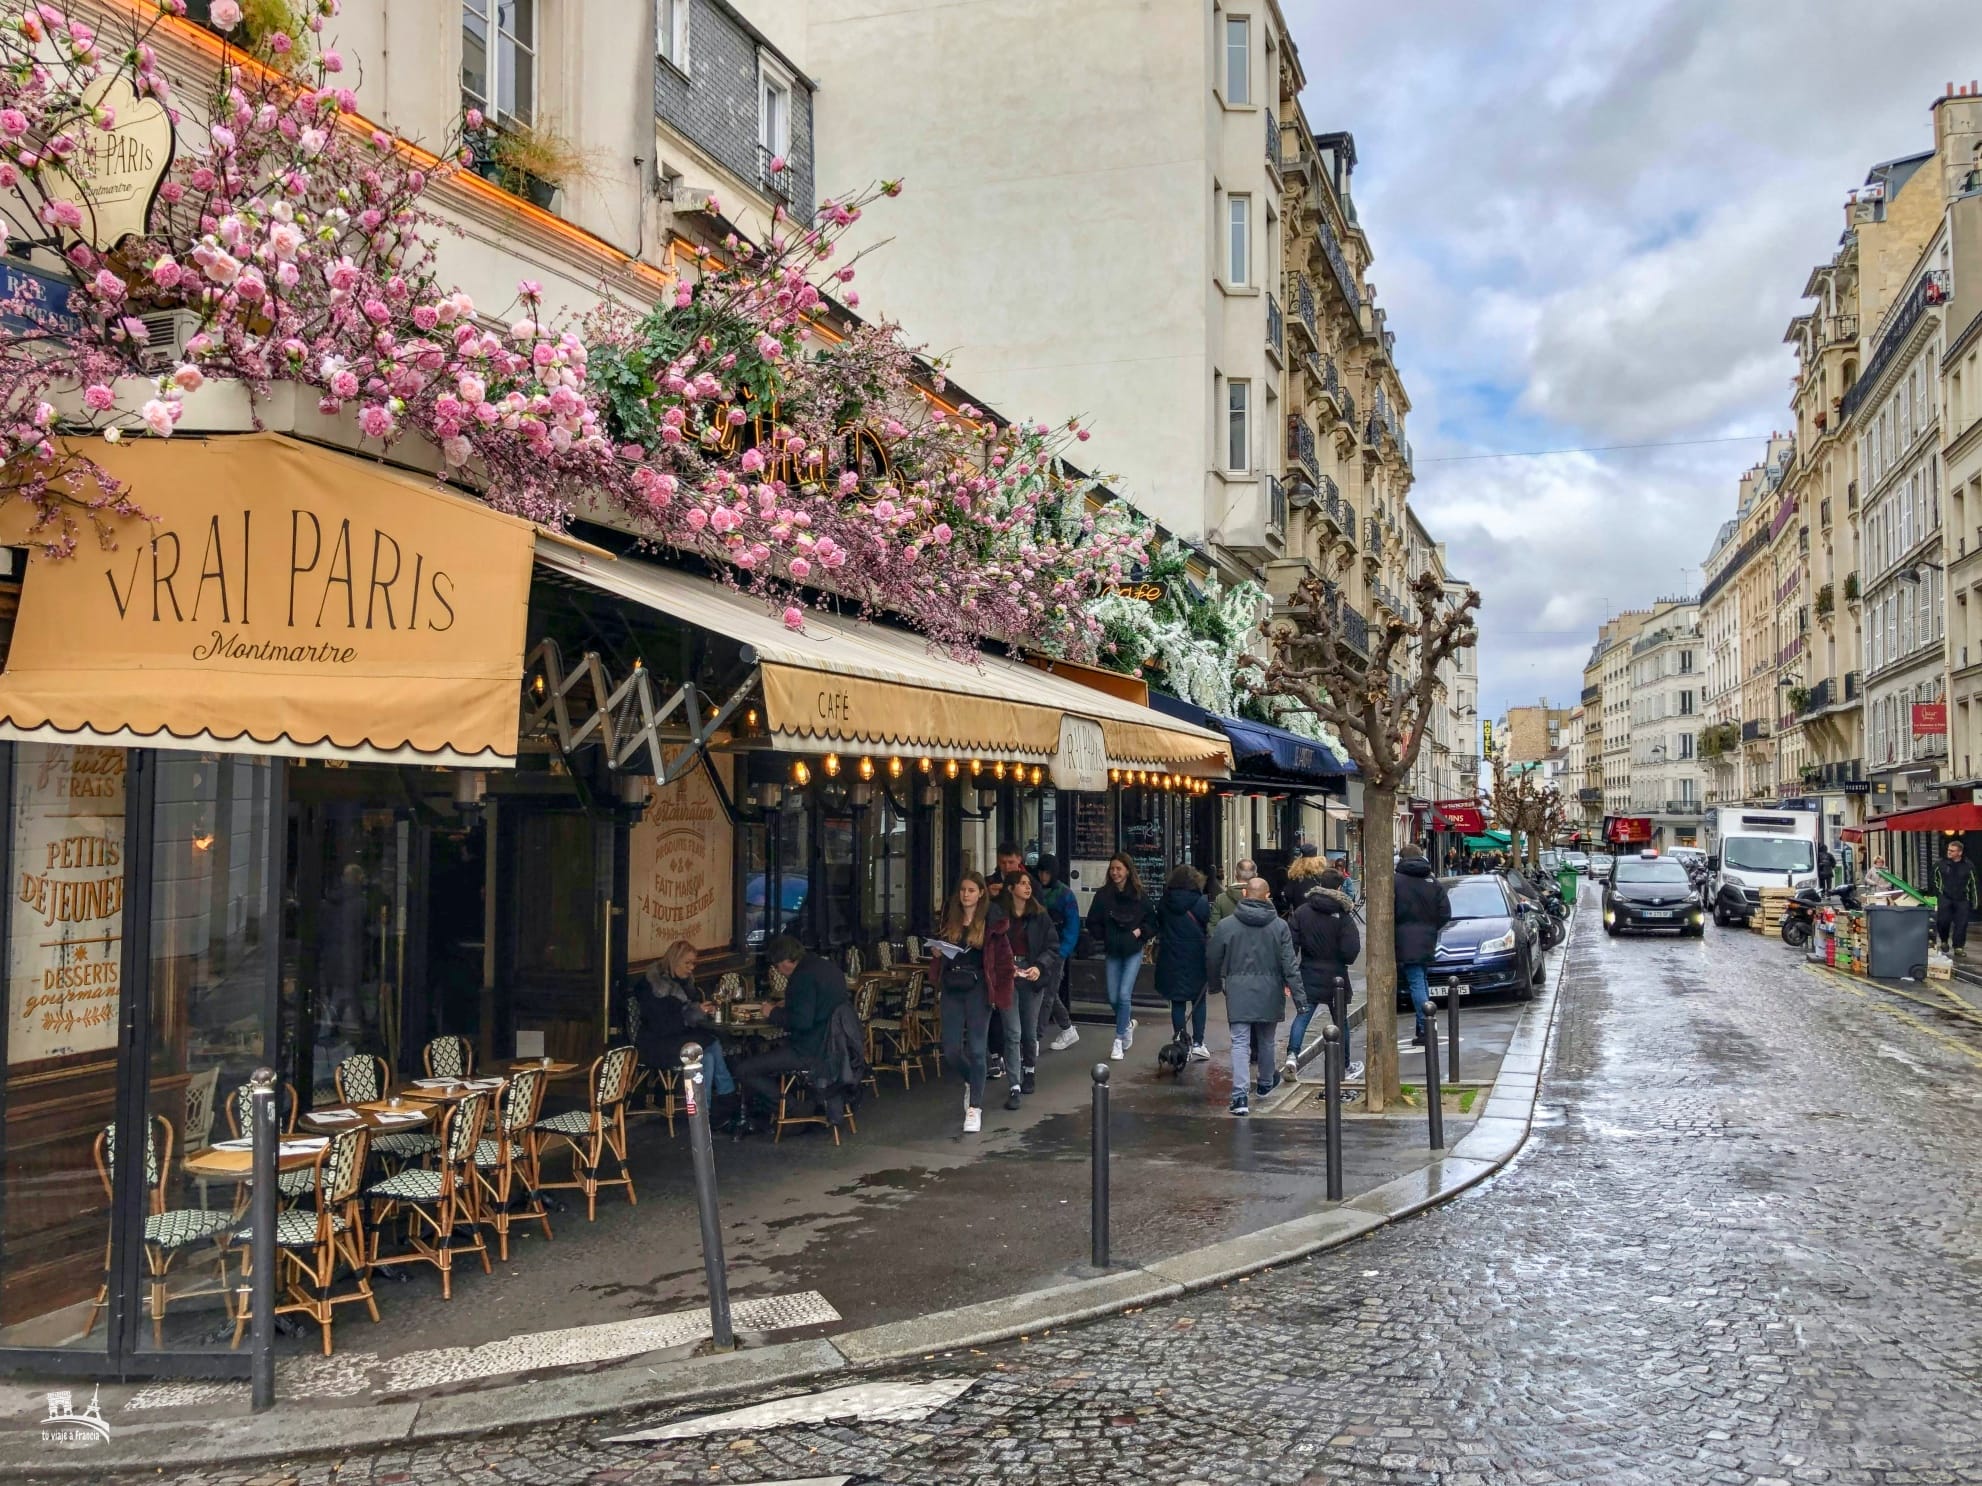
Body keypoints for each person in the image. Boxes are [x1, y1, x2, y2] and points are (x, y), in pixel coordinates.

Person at [732, 936, 851, 1131]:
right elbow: (819, 1003)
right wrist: (791, 1004)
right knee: (769, 1056)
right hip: (835, 1046)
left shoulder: (801, 977)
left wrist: (773, 1013)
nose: (779, 971)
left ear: (787, 961)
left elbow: (801, 1022)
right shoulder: (825, 967)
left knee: (745, 1069)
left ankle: (792, 1108)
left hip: (811, 1050)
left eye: (778, 966)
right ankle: (794, 1106)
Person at [1206, 878, 1299, 1117]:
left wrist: (1216, 985)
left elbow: (1213, 957)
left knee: (1239, 1042)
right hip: (1270, 989)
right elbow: (1289, 964)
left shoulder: (1227, 926)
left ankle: (1239, 1097)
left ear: (1245, 893)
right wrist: (1300, 998)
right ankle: (1266, 1083)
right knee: (1266, 1040)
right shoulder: (1279, 927)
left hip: (1237, 989)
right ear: (1267, 897)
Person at [933, 871, 1013, 1133]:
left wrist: (1000, 994)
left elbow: (1003, 961)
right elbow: (942, 955)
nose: (965, 895)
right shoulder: (951, 919)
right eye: (962, 890)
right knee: (952, 1049)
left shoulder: (993, 922)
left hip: (979, 988)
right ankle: (972, 1080)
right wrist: (938, 952)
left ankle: (974, 1107)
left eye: (970, 890)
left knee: (978, 1050)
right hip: (953, 986)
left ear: (981, 893)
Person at [630, 940, 736, 1111]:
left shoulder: (684, 982)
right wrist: (694, 1013)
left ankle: (723, 1098)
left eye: (693, 963)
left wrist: (698, 1010)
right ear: (674, 961)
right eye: (687, 963)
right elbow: (660, 1022)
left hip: (677, 1036)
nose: (691, 967)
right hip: (656, 1042)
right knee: (706, 1055)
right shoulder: (652, 986)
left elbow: (685, 1011)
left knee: (712, 1046)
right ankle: (707, 1108)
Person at [994, 870, 1061, 1105]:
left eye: (1029, 883)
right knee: (1013, 1032)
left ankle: (1029, 1071)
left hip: (1032, 975)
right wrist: (1003, 967)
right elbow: (992, 944)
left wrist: (1040, 967)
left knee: (1029, 1031)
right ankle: (1014, 1084)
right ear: (1011, 888)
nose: (1028, 887)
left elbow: (1053, 946)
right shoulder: (1000, 915)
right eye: (1022, 883)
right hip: (1007, 975)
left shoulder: (1040, 916)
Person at [1286, 867, 1361, 1076]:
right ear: (1339, 887)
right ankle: (1344, 1064)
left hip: (1309, 970)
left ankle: (1292, 1056)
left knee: (1303, 1015)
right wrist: (1344, 961)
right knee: (1340, 1020)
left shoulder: (1303, 911)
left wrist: (1292, 970)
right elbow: (1351, 947)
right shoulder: (1343, 914)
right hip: (1336, 974)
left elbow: (1291, 943)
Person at [1086, 854, 1153, 1061]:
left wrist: (1140, 931)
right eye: (1112, 869)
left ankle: (1118, 1039)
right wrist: (1105, 934)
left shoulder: (1139, 896)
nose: (1115, 873)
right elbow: (1092, 921)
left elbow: (1153, 921)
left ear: (1127, 871)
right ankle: (1127, 1024)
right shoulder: (1104, 896)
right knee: (1113, 997)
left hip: (1133, 950)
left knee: (1124, 995)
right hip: (1113, 950)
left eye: (1119, 869)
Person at [1394, 844, 1452, 1049]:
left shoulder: (1396, 881)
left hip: (1404, 937)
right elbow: (1445, 912)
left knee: (1416, 981)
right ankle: (1423, 1026)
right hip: (1427, 937)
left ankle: (1427, 1026)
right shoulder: (1432, 881)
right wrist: (1429, 927)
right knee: (1422, 978)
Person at [1154, 865, 1212, 1061]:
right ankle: (1198, 1042)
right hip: (1196, 957)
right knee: (1198, 1001)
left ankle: (1180, 1041)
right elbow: (1207, 926)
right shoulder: (1201, 903)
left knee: (1177, 1001)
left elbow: (1159, 924)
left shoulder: (1164, 902)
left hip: (1171, 955)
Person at [1034, 855, 1082, 1051]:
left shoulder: (1065, 894)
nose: (1044, 876)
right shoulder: (1036, 891)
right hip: (1040, 948)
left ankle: (1036, 1038)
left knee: (1047, 994)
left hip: (1057, 949)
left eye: (1047, 872)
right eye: (1041, 872)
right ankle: (1067, 1028)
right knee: (1049, 992)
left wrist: (1063, 951)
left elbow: (1073, 926)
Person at [1934, 837, 1978, 955]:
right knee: (1943, 921)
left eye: (1952, 851)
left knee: (1961, 923)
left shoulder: (1968, 865)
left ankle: (1958, 947)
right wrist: (1938, 893)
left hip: (1962, 898)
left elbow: (1974, 884)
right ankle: (1943, 940)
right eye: (1948, 850)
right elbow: (1933, 880)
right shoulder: (1940, 864)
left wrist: (1975, 901)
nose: (1949, 852)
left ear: (1960, 852)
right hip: (1945, 897)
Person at [1209, 858, 1254, 930]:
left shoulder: (1220, 899)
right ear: (1255, 875)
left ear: (1235, 874)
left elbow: (1213, 928)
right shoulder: (1263, 898)